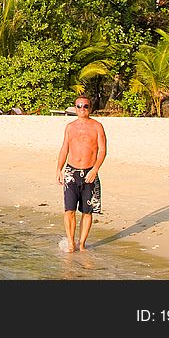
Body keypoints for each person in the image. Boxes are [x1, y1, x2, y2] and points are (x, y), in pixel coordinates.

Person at [56, 95, 107, 252]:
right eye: (79, 106)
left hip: (89, 172)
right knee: (69, 210)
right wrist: (59, 169)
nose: (82, 109)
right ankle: (71, 243)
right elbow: (64, 148)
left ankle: (82, 244)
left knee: (87, 211)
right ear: (75, 108)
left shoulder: (97, 126)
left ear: (90, 108)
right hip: (71, 172)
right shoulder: (70, 127)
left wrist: (95, 169)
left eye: (85, 106)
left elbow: (103, 150)